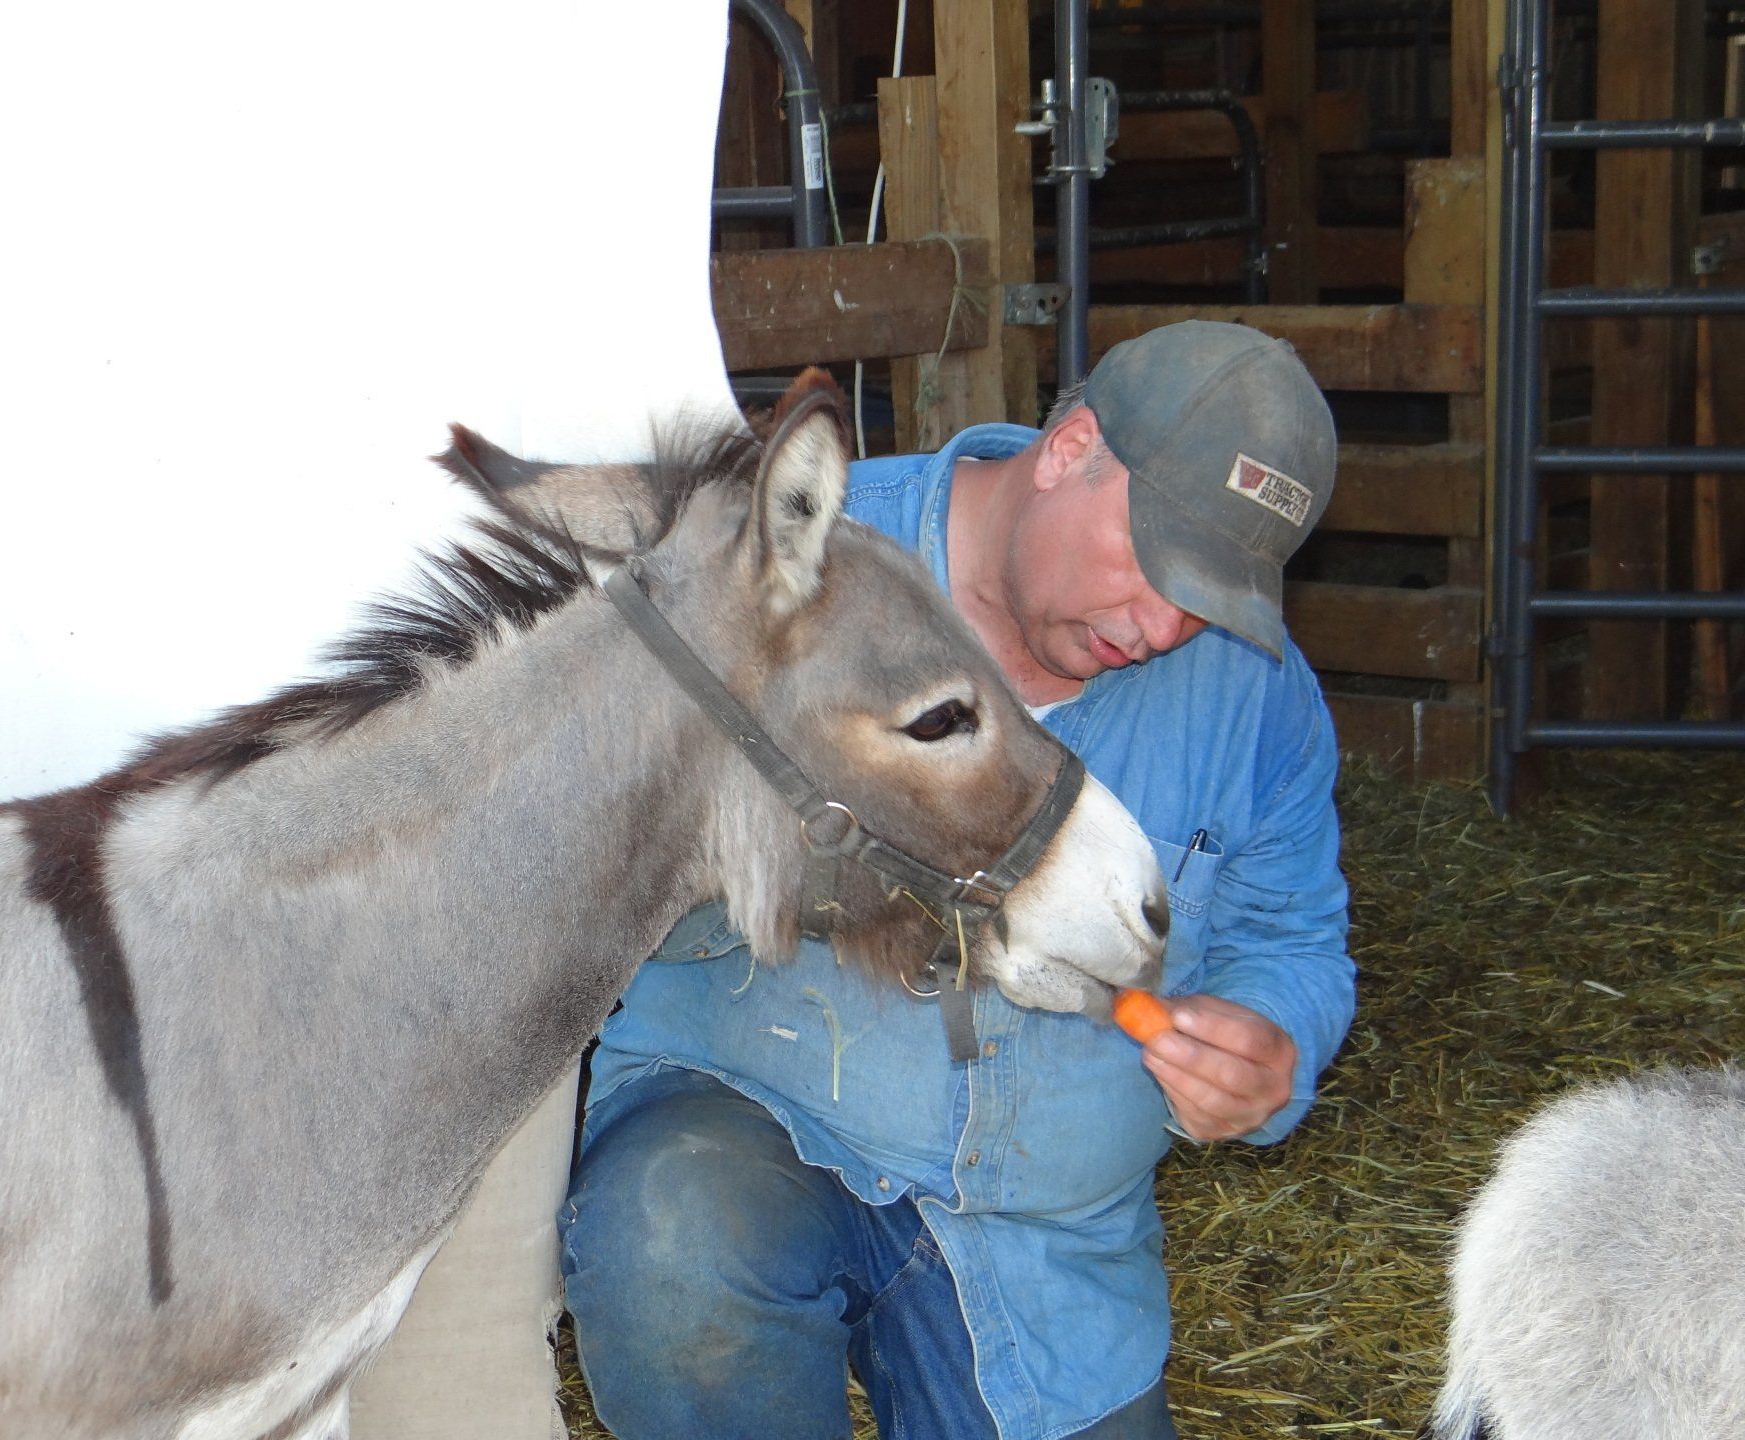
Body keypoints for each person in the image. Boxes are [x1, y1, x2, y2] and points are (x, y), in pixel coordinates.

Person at [559, 321, 1356, 1440]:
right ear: (1072, 447)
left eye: (1212, 597)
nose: (1166, 625)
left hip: (1046, 1249)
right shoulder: (801, 562)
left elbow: (1299, 940)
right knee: (675, 1239)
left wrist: (1272, 1041)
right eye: (1160, 564)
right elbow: (597, 861)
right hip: (759, 1125)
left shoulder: (1255, 697)